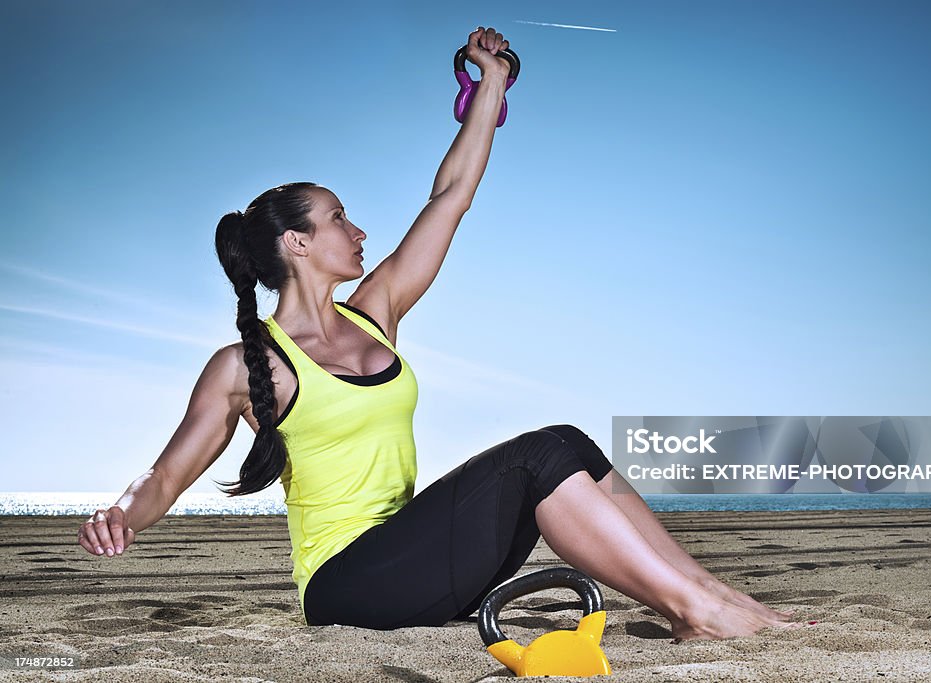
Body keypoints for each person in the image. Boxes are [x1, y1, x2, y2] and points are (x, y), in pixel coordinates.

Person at [76, 26, 799, 641]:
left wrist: (492, 81)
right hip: (347, 588)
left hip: (422, 566)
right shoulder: (247, 363)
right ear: (296, 242)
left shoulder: (376, 312)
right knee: (539, 453)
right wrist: (121, 514)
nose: (358, 231)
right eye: (337, 219)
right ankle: (694, 608)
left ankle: (715, 596)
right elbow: (167, 473)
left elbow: (451, 197)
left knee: (571, 441)